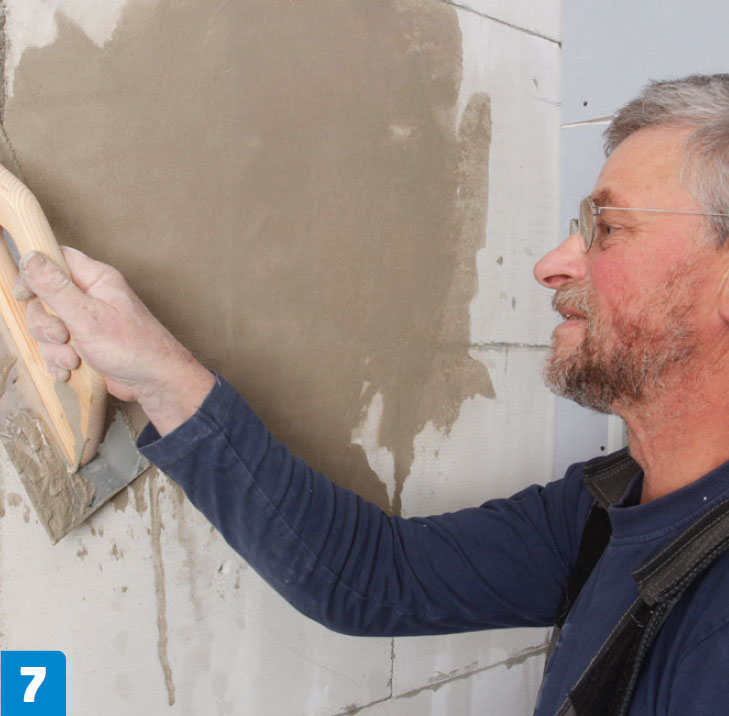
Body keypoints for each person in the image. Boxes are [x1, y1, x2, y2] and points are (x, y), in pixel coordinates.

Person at [14, 74, 729, 715]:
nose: (551, 265)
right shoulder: (608, 505)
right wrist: (157, 373)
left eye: (607, 228)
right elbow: (376, 578)